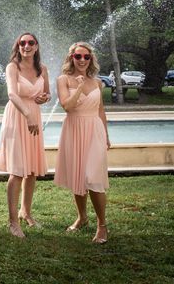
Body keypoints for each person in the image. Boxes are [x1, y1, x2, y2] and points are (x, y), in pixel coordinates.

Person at [54, 42, 110, 244]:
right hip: (74, 129)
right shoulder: (62, 80)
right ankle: (82, 217)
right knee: (79, 176)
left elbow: (101, 110)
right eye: (78, 56)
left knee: (93, 177)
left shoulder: (97, 83)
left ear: (91, 59)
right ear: (71, 58)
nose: (82, 60)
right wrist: (77, 87)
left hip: (94, 130)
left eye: (86, 57)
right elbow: (67, 107)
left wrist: (106, 134)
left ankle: (102, 225)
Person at [0, 33, 50, 238]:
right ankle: (12, 221)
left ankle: (25, 212)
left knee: (32, 168)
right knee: (17, 170)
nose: (26, 46)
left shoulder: (42, 69)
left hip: (33, 115)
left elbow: (46, 93)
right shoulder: (12, 67)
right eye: (22, 43)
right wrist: (27, 115)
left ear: (36, 46)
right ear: (17, 47)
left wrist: (44, 98)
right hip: (18, 116)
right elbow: (12, 94)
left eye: (30, 43)